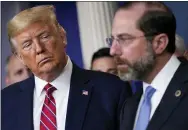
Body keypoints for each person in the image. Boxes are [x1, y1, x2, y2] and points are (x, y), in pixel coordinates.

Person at [1, 5, 132, 130]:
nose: (39, 49)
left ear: (62, 36)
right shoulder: (5, 101)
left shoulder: (111, 90)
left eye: (44, 36)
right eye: (27, 44)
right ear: (20, 57)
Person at [107, 1, 188, 130]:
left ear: (159, 43)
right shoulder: (130, 106)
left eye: (124, 39)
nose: (113, 50)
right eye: (112, 40)